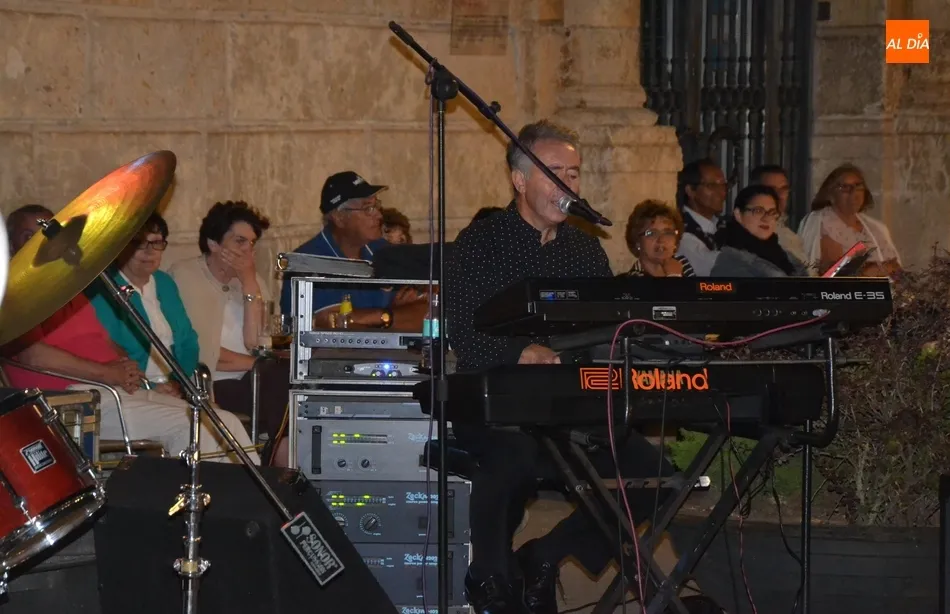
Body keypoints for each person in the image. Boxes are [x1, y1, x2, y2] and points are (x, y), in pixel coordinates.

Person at [446, 120, 722, 614]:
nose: (568, 184)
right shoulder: (481, 242)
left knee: (655, 478)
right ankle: (491, 577)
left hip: (572, 406)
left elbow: (607, 329)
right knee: (511, 459)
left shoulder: (583, 249)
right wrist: (521, 352)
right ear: (519, 180)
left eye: (573, 174)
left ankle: (546, 555)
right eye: (555, 172)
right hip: (500, 404)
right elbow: (463, 333)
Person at [2, 205, 258, 464]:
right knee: (194, 428)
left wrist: (128, 368)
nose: (40, 242)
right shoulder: (11, 295)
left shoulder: (67, 287)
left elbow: (102, 339)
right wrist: (107, 373)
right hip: (72, 399)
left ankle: (253, 492)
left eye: (48, 233)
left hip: (114, 390)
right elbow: (30, 355)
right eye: (28, 236)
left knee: (223, 422)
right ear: (10, 247)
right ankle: (187, 490)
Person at [168, 201, 289, 452]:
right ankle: (280, 454)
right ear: (214, 244)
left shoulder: (253, 280)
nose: (248, 251)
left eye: (252, 243)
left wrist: (248, 282)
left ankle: (281, 451)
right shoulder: (185, 276)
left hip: (255, 378)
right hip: (212, 382)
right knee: (277, 379)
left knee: (290, 378)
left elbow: (257, 342)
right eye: (239, 242)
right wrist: (257, 364)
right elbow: (198, 350)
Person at [278, 171, 428, 330]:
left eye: (377, 206)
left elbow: (427, 314)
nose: (379, 215)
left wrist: (381, 317)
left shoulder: (382, 250)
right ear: (339, 218)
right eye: (368, 208)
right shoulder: (308, 261)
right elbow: (335, 325)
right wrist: (392, 314)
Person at [88, 212, 197, 396]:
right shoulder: (103, 289)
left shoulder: (165, 283)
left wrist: (177, 384)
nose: (150, 251)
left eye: (156, 243)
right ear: (121, 247)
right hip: (129, 390)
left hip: (175, 388)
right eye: (139, 243)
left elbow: (188, 341)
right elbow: (111, 352)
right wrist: (151, 388)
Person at [798, 163, 901, 277]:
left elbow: (896, 268)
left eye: (858, 186)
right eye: (845, 187)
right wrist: (873, 270)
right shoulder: (824, 223)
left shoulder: (875, 227)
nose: (854, 193)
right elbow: (833, 275)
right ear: (830, 194)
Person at [710, 185, 808, 277]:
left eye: (772, 212)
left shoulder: (783, 255)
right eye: (758, 211)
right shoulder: (731, 263)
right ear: (738, 214)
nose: (766, 218)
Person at [749, 164, 809, 269]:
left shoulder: (788, 234)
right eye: (771, 190)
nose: (779, 196)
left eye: (784, 189)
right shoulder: (750, 233)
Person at [675, 158, 728, 276]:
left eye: (723, 185)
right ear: (690, 190)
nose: (722, 193)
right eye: (712, 186)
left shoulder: (723, 226)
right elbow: (716, 268)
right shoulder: (681, 231)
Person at [623, 199, 695, 277]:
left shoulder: (681, 263)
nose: (661, 240)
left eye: (668, 233)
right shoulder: (635, 278)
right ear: (637, 242)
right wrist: (674, 276)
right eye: (652, 233)